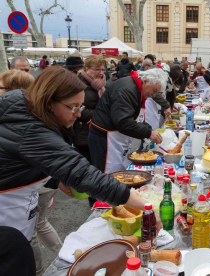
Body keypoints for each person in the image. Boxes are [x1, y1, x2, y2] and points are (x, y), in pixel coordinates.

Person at [0, 67, 163, 242]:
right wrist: (146, 207)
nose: (78, 114)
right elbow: (81, 172)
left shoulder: (34, 114)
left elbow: (35, 159)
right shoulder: (29, 129)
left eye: (81, 106)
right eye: (73, 107)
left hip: (20, 213)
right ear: (49, 102)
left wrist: (56, 179)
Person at [88, 68, 166, 173]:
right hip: (105, 137)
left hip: (114, 136)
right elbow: (123, 122)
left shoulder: (136, 88)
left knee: (119, 171)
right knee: (108, 174)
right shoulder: (127, 89)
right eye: (154, 90)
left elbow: (133, 117)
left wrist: (148, 128)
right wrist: (148, 132)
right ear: (146, 81)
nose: (154, 95)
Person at [73, 55, 107, 162]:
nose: (101, 72)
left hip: (102, 130)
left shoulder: (105, 84)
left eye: (103, 69)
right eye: (97, 69)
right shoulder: (77, 83)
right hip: (84, 132)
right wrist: (100, 114)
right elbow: (75, 108)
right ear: (86, 69)